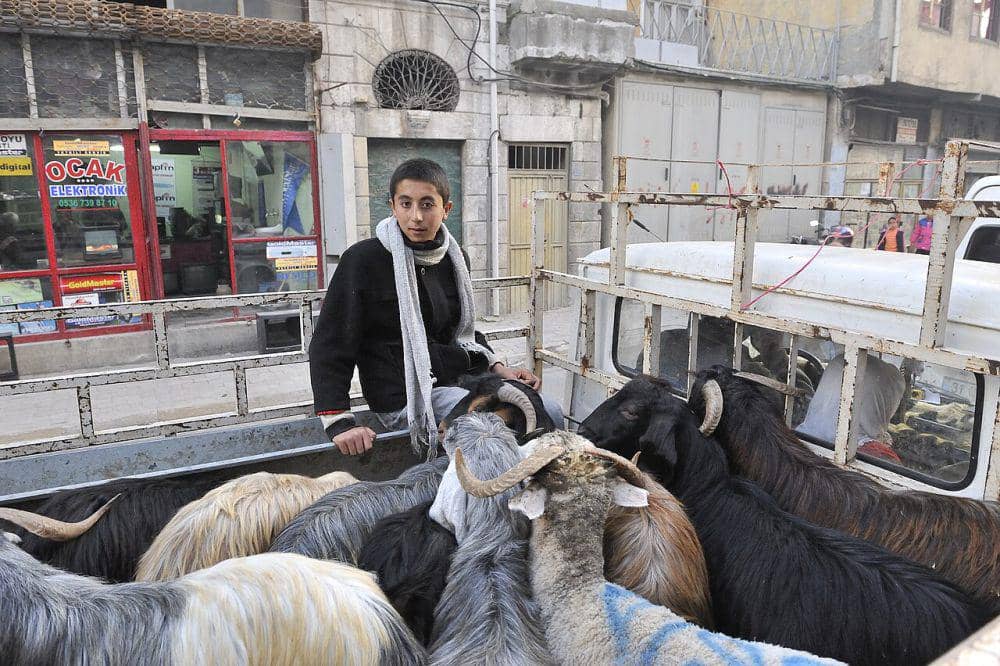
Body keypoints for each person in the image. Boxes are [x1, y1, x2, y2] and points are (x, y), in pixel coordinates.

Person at [310, 158, 562, 456]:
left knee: (550, 410)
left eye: (427, 204)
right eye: (405, 204)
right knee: (487, 425)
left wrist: (498, 367)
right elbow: (331, 342)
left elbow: (463, 332)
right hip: (407, 398)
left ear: (446, 209)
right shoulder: (363, 261)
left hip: (463, 380)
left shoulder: (455, 259)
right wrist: (339, 421)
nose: (415, 216)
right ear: (392, 206)